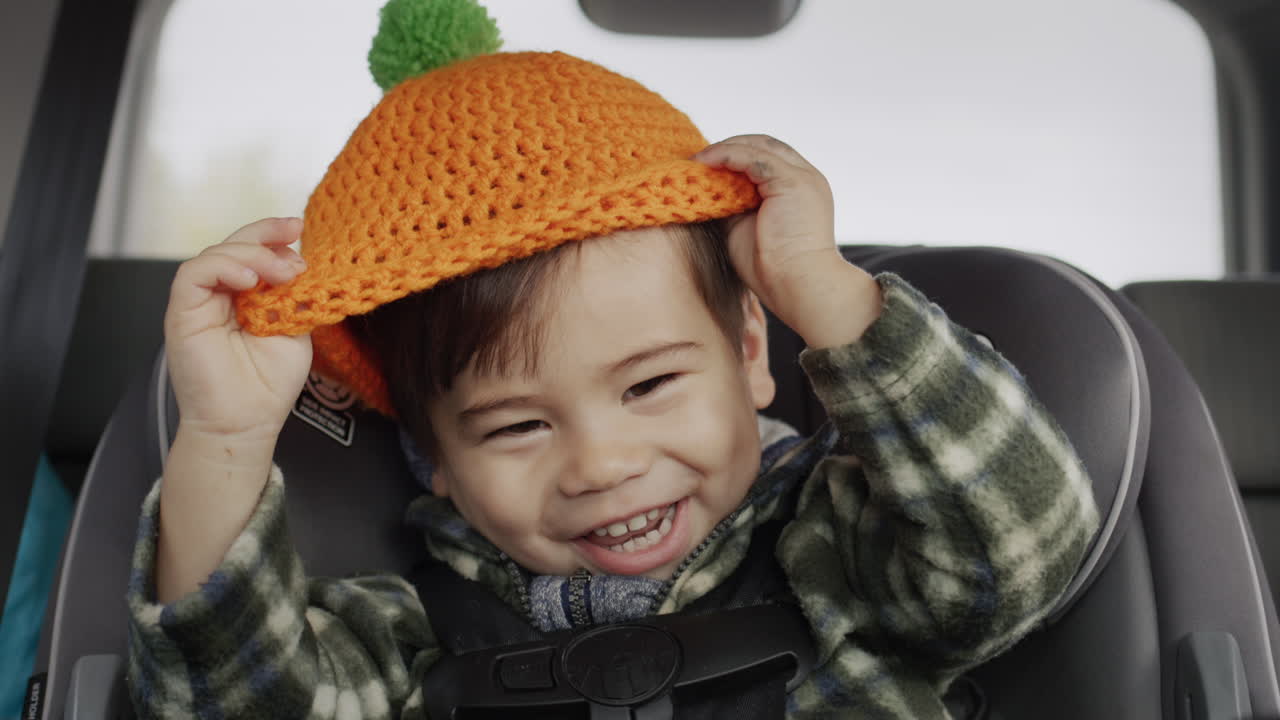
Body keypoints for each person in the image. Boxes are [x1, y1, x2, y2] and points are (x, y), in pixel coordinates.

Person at [125, 0, 1100, 717]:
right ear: (437, 463)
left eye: (648, 384)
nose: (600, 464)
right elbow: (238, 702)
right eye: (514, 427)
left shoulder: (842, 547)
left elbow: (1018, 553)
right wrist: (224, 437)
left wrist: (831, 297)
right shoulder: (413, 632)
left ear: (752, 351)